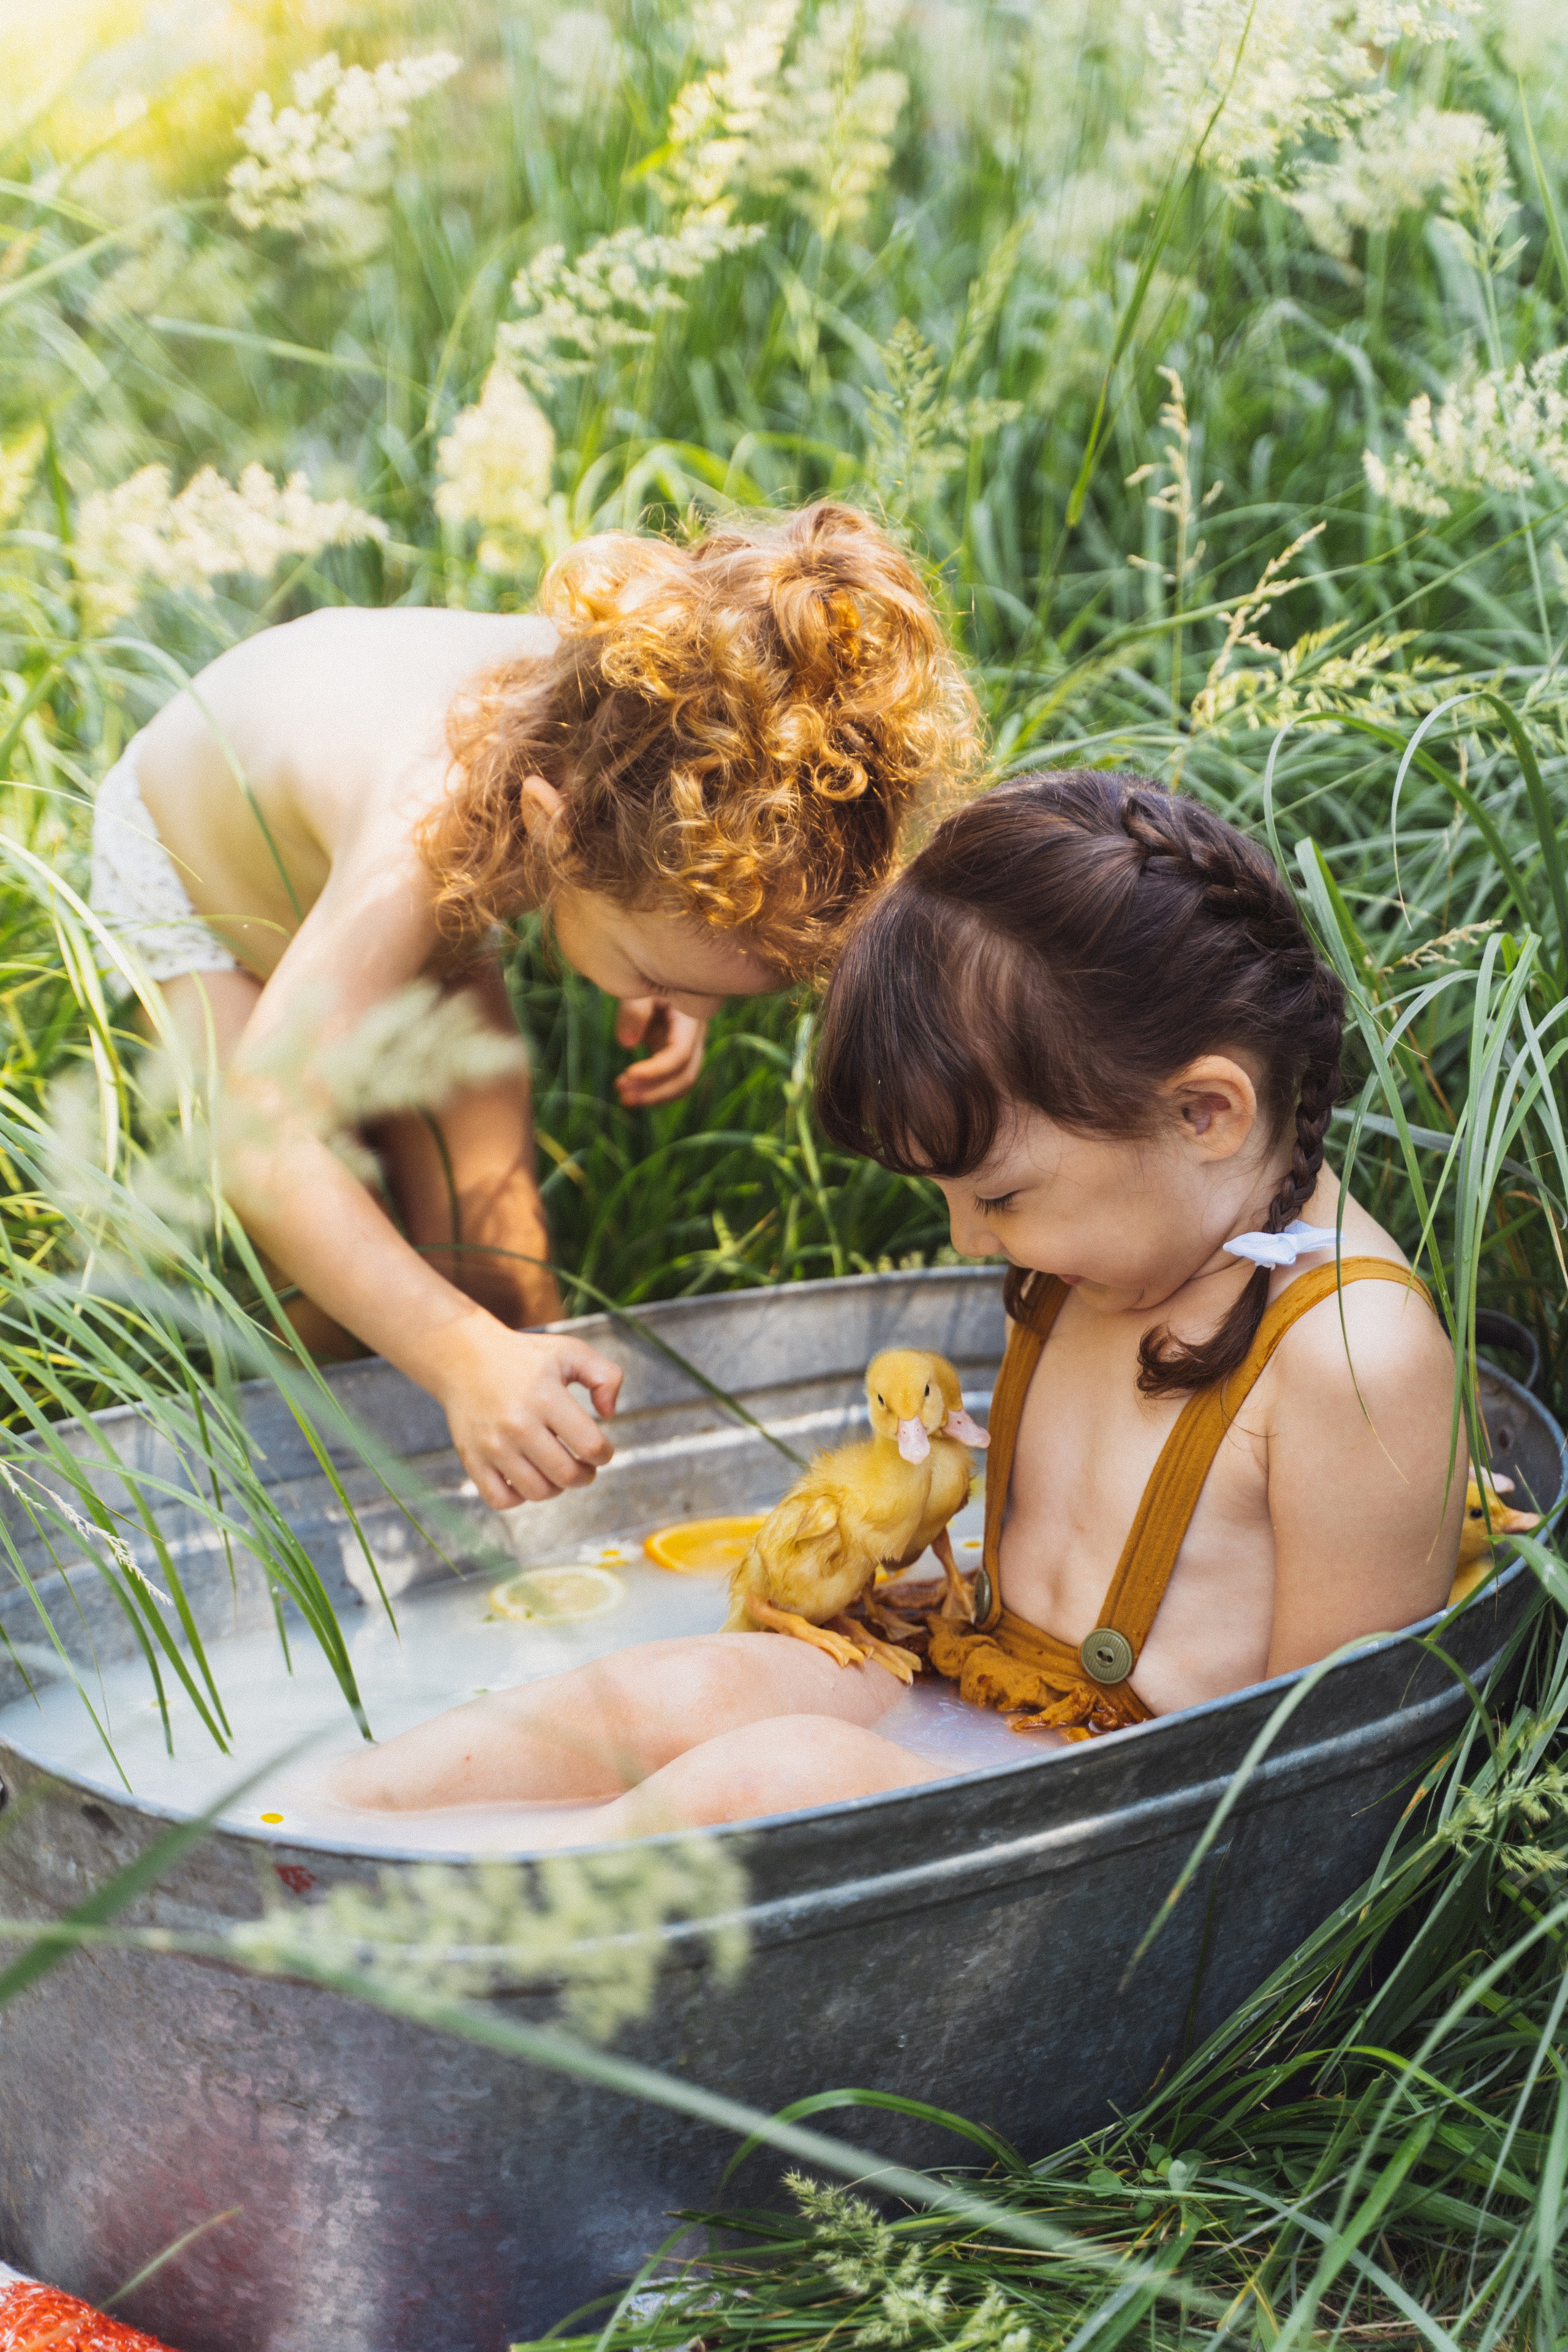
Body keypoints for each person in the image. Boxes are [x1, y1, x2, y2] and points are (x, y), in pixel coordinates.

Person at [330, 769, 1463, 1834]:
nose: (972, 1241)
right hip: (976, 1682)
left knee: (767, 1782)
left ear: (1205, 1112)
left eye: (1001, 1195)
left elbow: (1338, 1774)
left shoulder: (1352, 1354)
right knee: (673, 1690)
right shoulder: (1125, 1235)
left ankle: (468, 1945)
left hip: (1121, 1811)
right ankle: (319, 1835)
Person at [91, 502, 975, 1509]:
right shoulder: (426, 825)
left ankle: (526, 1542)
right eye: (660, 975)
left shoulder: (654, 725)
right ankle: (354, 1507)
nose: (674, 1003)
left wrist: (689, 990)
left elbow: (708, 907)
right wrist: (458, 1357)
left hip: (404, 895)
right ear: (559, 840)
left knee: (499, 1254)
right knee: (328, 1272)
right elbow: (259, 1143)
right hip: (206, 882)